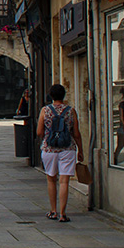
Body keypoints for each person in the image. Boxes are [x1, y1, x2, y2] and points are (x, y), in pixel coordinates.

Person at [37, 84, 83, 222]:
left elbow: (39, 132)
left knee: (51, 179)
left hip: (49, 149)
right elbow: (76, 133)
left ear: (51, 96)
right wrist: (81, 150)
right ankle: (63, 213)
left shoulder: (45, 110)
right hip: (67, 149)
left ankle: (53, 211)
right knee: (64, 181)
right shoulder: (71, 111)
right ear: (64, 95)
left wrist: (47, 137)